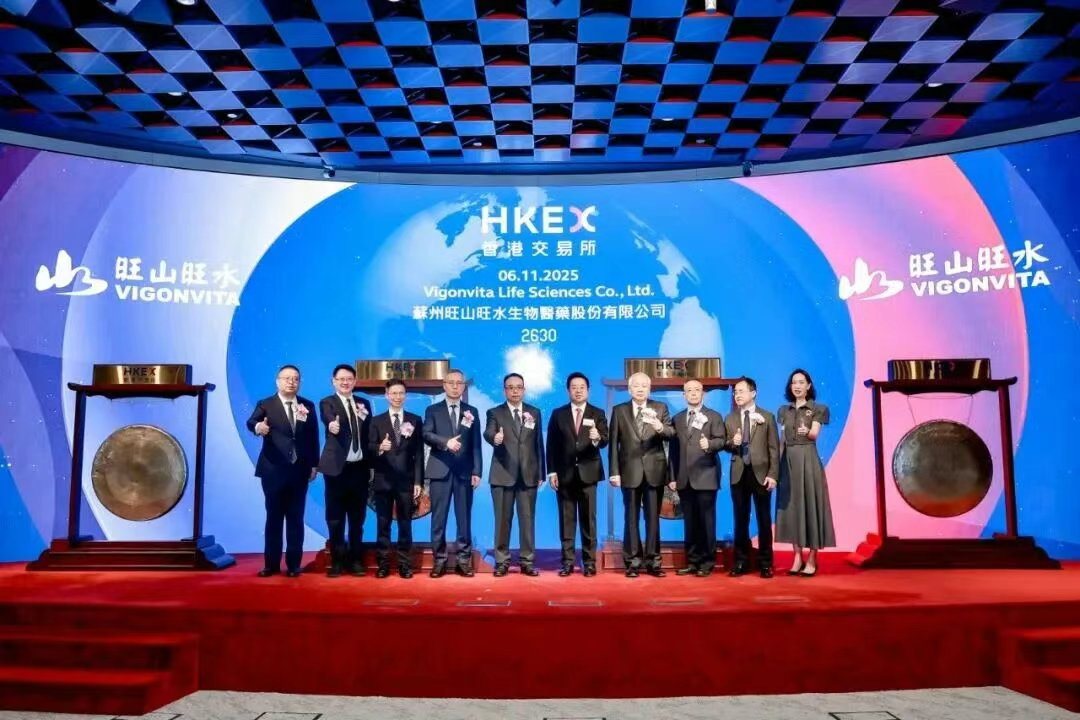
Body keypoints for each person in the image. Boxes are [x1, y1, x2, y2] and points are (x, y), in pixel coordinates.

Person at [246, 364, 319, 578]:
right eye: (287, 378)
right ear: (277, 381)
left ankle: (294, 565)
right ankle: (271, 565)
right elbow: (252, 421)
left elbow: (313, 437)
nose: (291, 382)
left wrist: (314, 464)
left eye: (295, 378)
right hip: (273, 470)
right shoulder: (266, 404)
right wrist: (258, 428)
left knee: (296, 518)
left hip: (300, 470)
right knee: (274, 517)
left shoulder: (307, 405)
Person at [608, 371, 675, 577]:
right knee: (631, 518)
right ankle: (632, 563)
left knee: (653, 519)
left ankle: (654, 562)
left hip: (655, 471)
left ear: (649, 389)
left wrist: (658, 426)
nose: (640, 389)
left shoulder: (660, 408)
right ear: (629, 389)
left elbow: (671, 433)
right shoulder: (619, 410)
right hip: (629, 471)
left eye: (644, 386)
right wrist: (614, 472)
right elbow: (613, 444)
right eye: (636, 386)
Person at [546, 372, 609, 577]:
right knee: (566, 521)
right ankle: (567, 562)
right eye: (574, 387)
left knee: (588, 521)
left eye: (582, 387)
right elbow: (551, 445)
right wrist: (552, 472)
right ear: (568, 391)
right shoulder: (558, 414)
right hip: (564, 475)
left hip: (588, 474)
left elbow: (605, 440)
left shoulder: (597, 413)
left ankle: (589, 563)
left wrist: (597, 437)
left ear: (588, 390)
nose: (578, 391)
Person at [422, 368, 482, 578]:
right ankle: (439, 561)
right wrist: (445, 442)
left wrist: (477, 471)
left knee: (464, 519)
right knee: (438, 520)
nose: (456, 386)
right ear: (444, 385)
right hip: (440, 471)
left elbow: (476, 444)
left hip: (464, 473)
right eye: (451, 383)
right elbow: (426, 434)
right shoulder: (433, 410)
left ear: (464, 386)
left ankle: (463, 561)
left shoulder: (472, 411)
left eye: (459, 383)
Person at [775, 368, 835, 577]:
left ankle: (812, 558)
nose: (797, 386)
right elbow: (782, 441)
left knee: (811, 507)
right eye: (794, 382)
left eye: (801, 382)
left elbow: (815, 434)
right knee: (793, 509)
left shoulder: (818, 408)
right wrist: (776, 467)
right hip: (788, 462)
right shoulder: (784, 411)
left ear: (808, 385)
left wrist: (807, 432)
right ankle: (797, 557)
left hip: (808, 460)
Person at [484, 373, 545, 577]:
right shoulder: (495, 412)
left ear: (524, 390)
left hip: (528, 475)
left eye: (519, 387)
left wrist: (541, 472)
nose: (515, 391)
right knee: (503, 521)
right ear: (504, 391)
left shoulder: (534, 412)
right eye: (510, 387)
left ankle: (527, 561)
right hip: (502, 474)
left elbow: (538, 444)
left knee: (527, 521)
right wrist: (495, 438)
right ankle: (502, 561)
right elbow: (488, 432)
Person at [317, 364, 372, 577]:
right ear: (334, 381)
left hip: (359, 469)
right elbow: (327, 417)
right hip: (336, 470)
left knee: (357, 519)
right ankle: (337, 561)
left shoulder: (364, 403)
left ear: (355, 381)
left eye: (349, 379)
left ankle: (356, 560)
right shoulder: (327, 402)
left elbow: (367, 435)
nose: (345, 382)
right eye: (341, 379)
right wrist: (332, 424)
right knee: (335, 518)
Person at [668, 379, 726, 577]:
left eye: (697, 390)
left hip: (706, 476)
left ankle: (707, 562)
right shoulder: (677, 418)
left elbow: (721, 440)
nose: (693, 393)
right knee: (690, 523)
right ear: (683, 395)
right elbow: (673, 451)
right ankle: (692, 562)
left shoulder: (714, 416)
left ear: (703, 393)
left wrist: (709, 445)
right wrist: (672, 476)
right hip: (684, 478)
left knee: (706, 522)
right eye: (689, 390)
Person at [724, 376, 780, 578]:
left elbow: (774, 449)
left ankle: (765, 563)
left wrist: (773, 475)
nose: (737, 395)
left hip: (761, 474)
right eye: (735, 392)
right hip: (739, 473)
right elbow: (726, 445)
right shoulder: (730, 418)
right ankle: (741, 562)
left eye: (741, 391)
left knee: (764, 519)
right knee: (740, 520)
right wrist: (734, 442)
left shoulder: (767, 416)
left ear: (753, 393)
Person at [367, 379, 423, 578]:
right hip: (383, 480)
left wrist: (418, 481)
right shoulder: (376, 421)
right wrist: (379, 448)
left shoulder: (415, 420)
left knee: (405, 524)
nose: (398, 397)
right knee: (383, 524)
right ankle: (382, 564)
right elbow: (368, 448)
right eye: (394, 393)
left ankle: (405, 565)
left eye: (401, 393)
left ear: (405, 395)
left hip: (406, 481)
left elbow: (419, 454)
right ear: (386, 395)